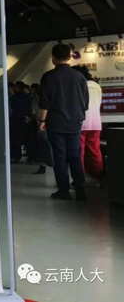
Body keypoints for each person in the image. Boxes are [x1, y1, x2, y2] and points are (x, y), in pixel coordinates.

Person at [40, 43, 89, 201]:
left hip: (56, 123)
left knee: (59, 157)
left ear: (53, 58)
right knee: (75, 156)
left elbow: (44, 103)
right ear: (69, 57)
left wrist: (42, 120)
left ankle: (64, 190)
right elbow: (85, 103)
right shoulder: (79, 77)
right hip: (75, 123)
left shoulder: (48, 77)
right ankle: (80, 190)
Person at [72, 65, 104, 180]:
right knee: (95, 151)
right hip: (95, 123)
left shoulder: (77, 85)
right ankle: (98, 175)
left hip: (80, 123)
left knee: (79, 152)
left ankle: (79, 178)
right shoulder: (96, 86)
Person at [9, 82, 32, 164]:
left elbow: (13, 109)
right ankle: (31, 156)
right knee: (27, 139)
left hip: (16, 120)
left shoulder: (14, 98)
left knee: (16, 139)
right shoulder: (27, 97)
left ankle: (17, 156)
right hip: (26, 119)